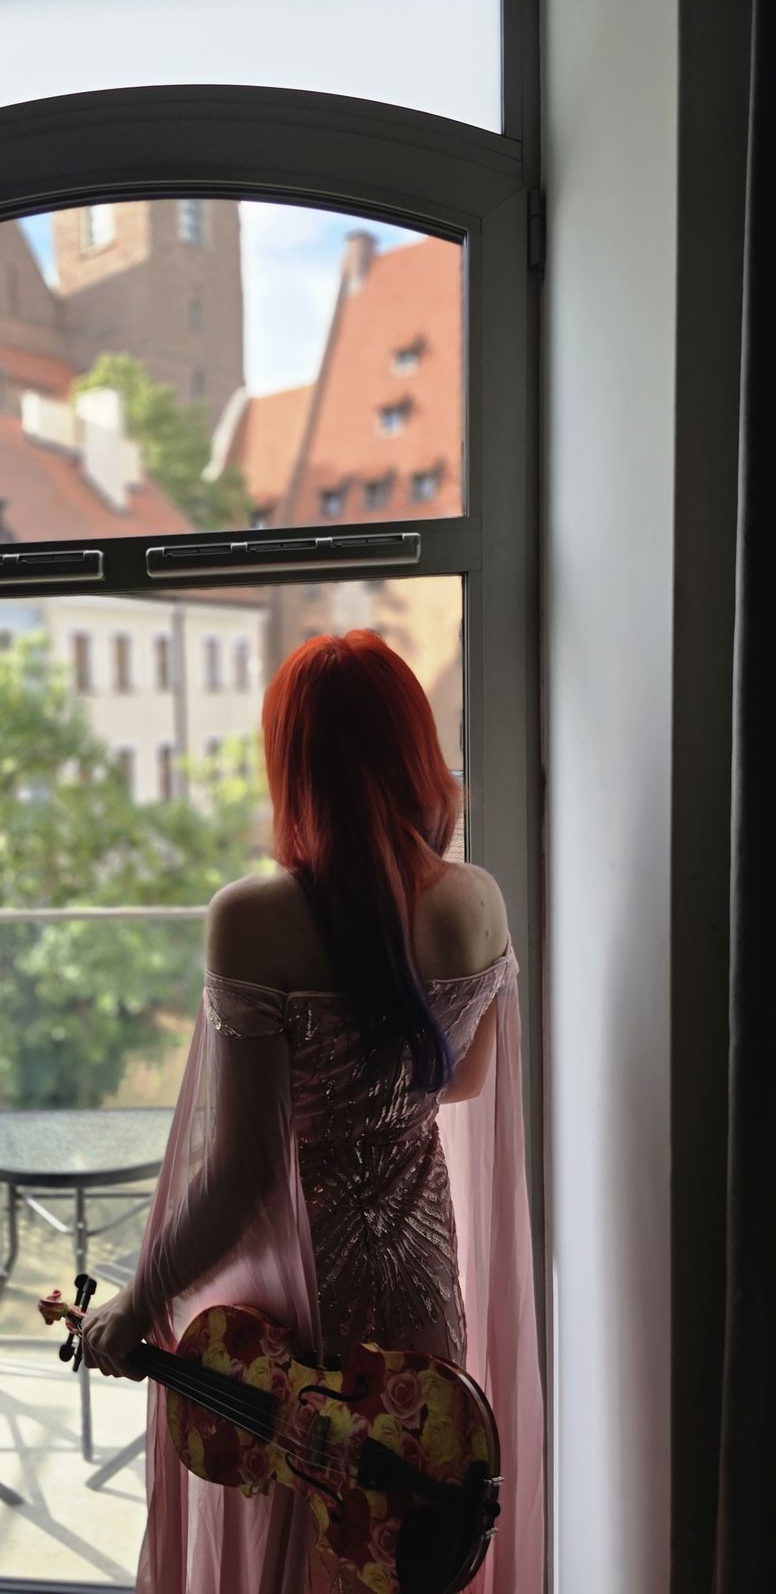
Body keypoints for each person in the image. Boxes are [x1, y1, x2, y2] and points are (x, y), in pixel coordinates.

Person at [82, 630, 543, 1594]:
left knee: (299, 1542)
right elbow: (461, 1081)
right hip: (421, 1281)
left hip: (298, 1296)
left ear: (293, 765)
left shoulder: (254, 919)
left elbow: (248, 1173)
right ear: (414, 753)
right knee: (400, 1540)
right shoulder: (479, 903)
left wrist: (139, 1299)